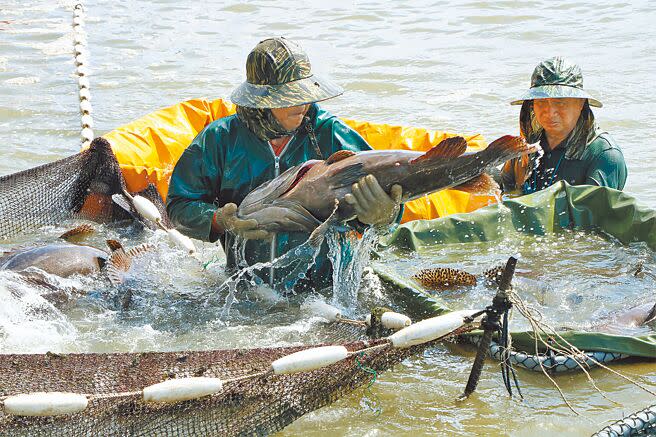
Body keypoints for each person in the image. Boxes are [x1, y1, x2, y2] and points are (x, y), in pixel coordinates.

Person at [166, 37, 402, 291]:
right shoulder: (220, 140)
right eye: (290, 97)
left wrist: (384, 215)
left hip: (324, 291)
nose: (303, 105)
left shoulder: (330, 134)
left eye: (306, 95)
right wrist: (219, 220)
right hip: (248, 288)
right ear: (261, 101)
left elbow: (389, 200)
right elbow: (180, 206)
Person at [500, 57, 627, 195]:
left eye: (560, 102)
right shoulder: (525, 149)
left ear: (580, 104)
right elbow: (502, 191)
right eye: (541, 102)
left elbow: (592, 213)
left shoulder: (604, 155)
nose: (550, 111)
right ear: (532, 106)